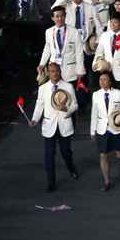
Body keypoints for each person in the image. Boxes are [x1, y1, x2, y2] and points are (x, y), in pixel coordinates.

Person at [51, 0, 103, 114]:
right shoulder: (66, 6)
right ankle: (75, 102)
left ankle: (88, 103)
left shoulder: (90, 8)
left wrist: (97, 41)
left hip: (86, 46)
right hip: (69, 47)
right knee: (74, 78)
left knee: (88, 76)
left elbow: (99, 26)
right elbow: (53, 7)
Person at [29, 62, 79, 192]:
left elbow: (75, 105)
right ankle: (51, 182)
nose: (54, 73)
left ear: (60, 72)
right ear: (47, 73)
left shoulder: (68, 86)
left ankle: (71, 167)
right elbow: (39, 106)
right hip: (49, 126)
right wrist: (34, 119)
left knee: (66, 152)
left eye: (56, 71)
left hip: (64, 124)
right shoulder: (43, 88)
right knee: (49, 154)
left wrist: (66, 108)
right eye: (51, 71)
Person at [90, 71, 120, 191]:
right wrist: (93, 130)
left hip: (117, 128)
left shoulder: (118, 94)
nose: (102, 81)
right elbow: (94, 113)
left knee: (119, 154)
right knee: (103, 155)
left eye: (105, 79)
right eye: (100, 79)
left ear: (110, 81)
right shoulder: (96, 95)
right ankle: (106, 181)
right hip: (102, 129)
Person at [93, 12, 120, 113]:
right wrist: (95, 64)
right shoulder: (104, 35)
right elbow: (99, 52)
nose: (112, 24)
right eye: (111, 22)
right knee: (112, 97)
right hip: (108, 70)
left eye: (115, 22)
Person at [37, 6, 85, 88]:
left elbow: (79, 52)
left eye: (62, 16)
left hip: (69, 69)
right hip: (53, 69)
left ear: (65, 16)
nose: (60, 18)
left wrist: (80, 70)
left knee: (70, 94)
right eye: (57, 16)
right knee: (56, 94)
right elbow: (47, 49)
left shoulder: (74, 32)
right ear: (52, 18)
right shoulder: (48, 32)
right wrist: (42, 64)